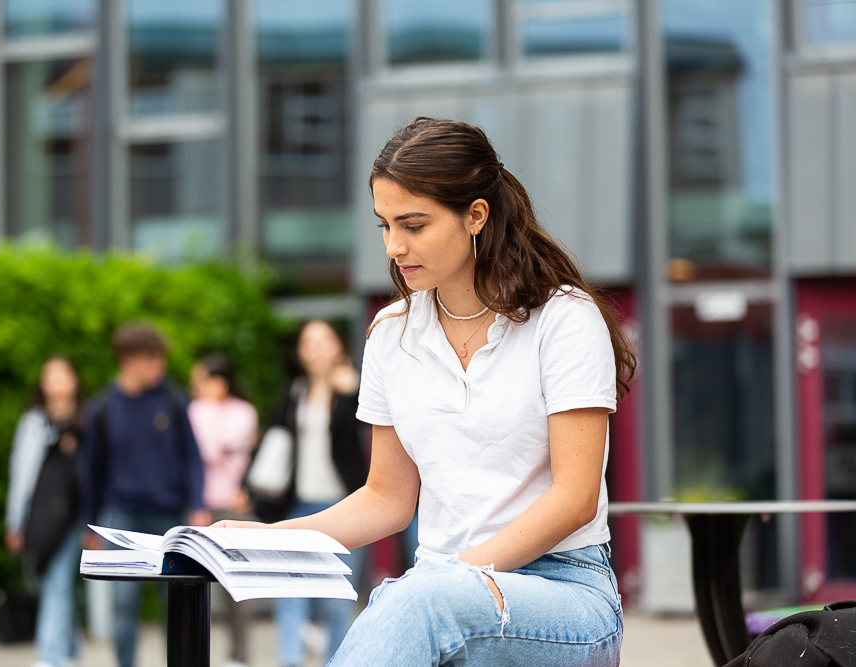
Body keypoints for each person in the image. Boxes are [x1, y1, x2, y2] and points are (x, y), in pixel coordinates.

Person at [216, 117, 636, 666]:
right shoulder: (391, 334)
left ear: (475, 216)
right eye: (384, 225)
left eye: (413, 225)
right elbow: (386, 499)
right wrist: (271, 538)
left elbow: (575, 498)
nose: (393, 246)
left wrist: (452, 581)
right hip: (436, 590)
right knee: (418, 598)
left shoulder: (564, 320)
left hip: (565, 592)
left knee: (418, 599)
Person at [82, 322, 210, 667]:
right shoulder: (102, 408)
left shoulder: (172, 400)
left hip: (168, 518)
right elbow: (92, 471)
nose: (160, 367)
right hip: (122, 517)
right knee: (124, 604)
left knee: (177, 602)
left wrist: (197, 504)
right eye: (152, 359)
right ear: (127, 359)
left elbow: (192, 458)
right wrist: (90, 525)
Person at [256, 320, 369, 667]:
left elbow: (372, 435)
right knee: (290, 592)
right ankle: (290, 661)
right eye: (309, 342)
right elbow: (275, 443)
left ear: (338, 347)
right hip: (299, 507)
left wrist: (353, 392)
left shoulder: (355, 391)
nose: (317, 348)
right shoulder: (294, 393)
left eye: (324, 340)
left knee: (337, 599)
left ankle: (335, 661)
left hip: (344, 505)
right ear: (300, 352)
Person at [4, 356, 84, 667]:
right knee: (53, 581)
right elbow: (22, 475)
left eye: (62, 374)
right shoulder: (34, 423)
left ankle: (52, 655)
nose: (56, 382)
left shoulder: (88, 420)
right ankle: (69, 648)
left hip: (78, 516)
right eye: (49, 375)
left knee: (58, 580)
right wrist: (15, 521)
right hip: (44, 516)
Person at [187, 353, 259, 667]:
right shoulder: (195, 409)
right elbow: (204, 450)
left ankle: (239, 655)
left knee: (238, 586)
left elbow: (210, 448)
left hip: (235, 505)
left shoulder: (244, 411)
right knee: (200, 583)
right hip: (203, 505)